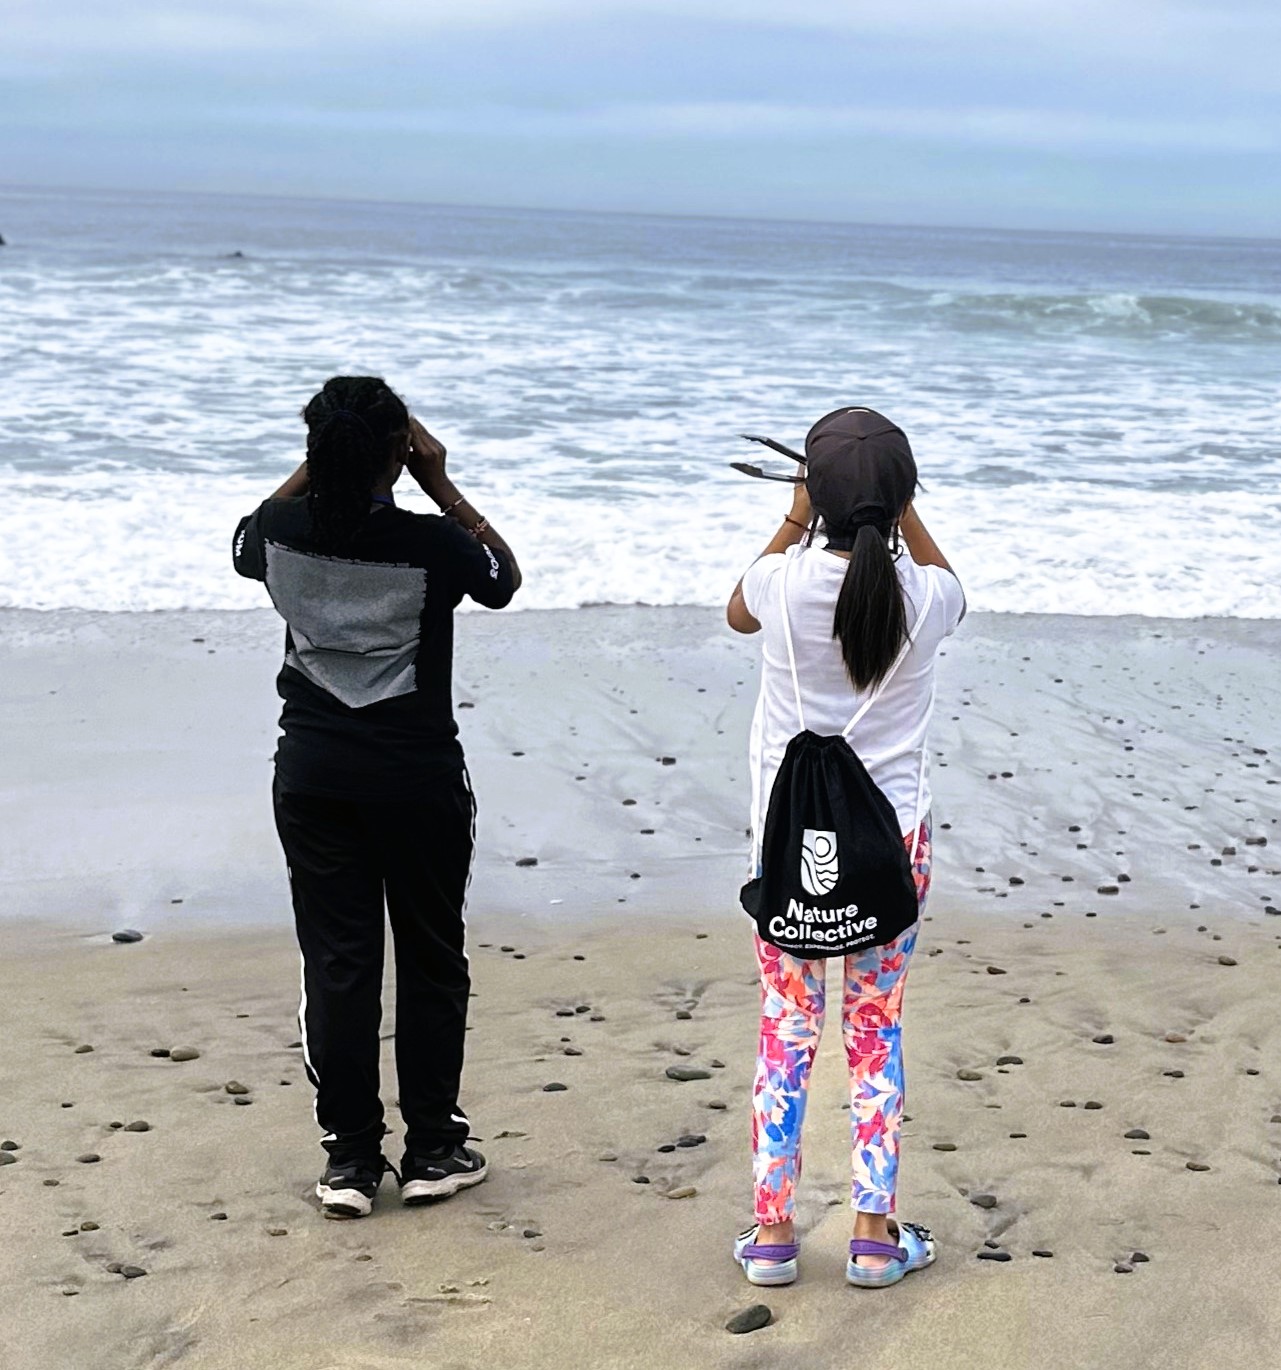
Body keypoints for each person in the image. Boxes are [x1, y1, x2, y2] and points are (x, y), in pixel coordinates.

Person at [232, 375, 521, 1218]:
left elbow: (243, 541)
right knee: (431, 957)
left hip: (315, 776)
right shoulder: (432, 543)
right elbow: (502, 577)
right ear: (401, 451)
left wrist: (315, 467)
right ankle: (432, 1147)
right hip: (417, 777)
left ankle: (351, 1160)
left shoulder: (281, 533)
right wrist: (439, 482)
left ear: (313, 448)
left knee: (339, 962)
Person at [725, 406, 964, 1288]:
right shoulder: (928, 599)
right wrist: (897, 511)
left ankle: (773, 1235)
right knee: (875, 1027)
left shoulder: (779, 588)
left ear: (812, 493)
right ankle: (872, 1233)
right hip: (891, 848)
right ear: (902, 497)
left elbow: (735, 609)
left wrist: (799, 512)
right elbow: (950, 584)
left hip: (784, 848)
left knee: (786, 1031)